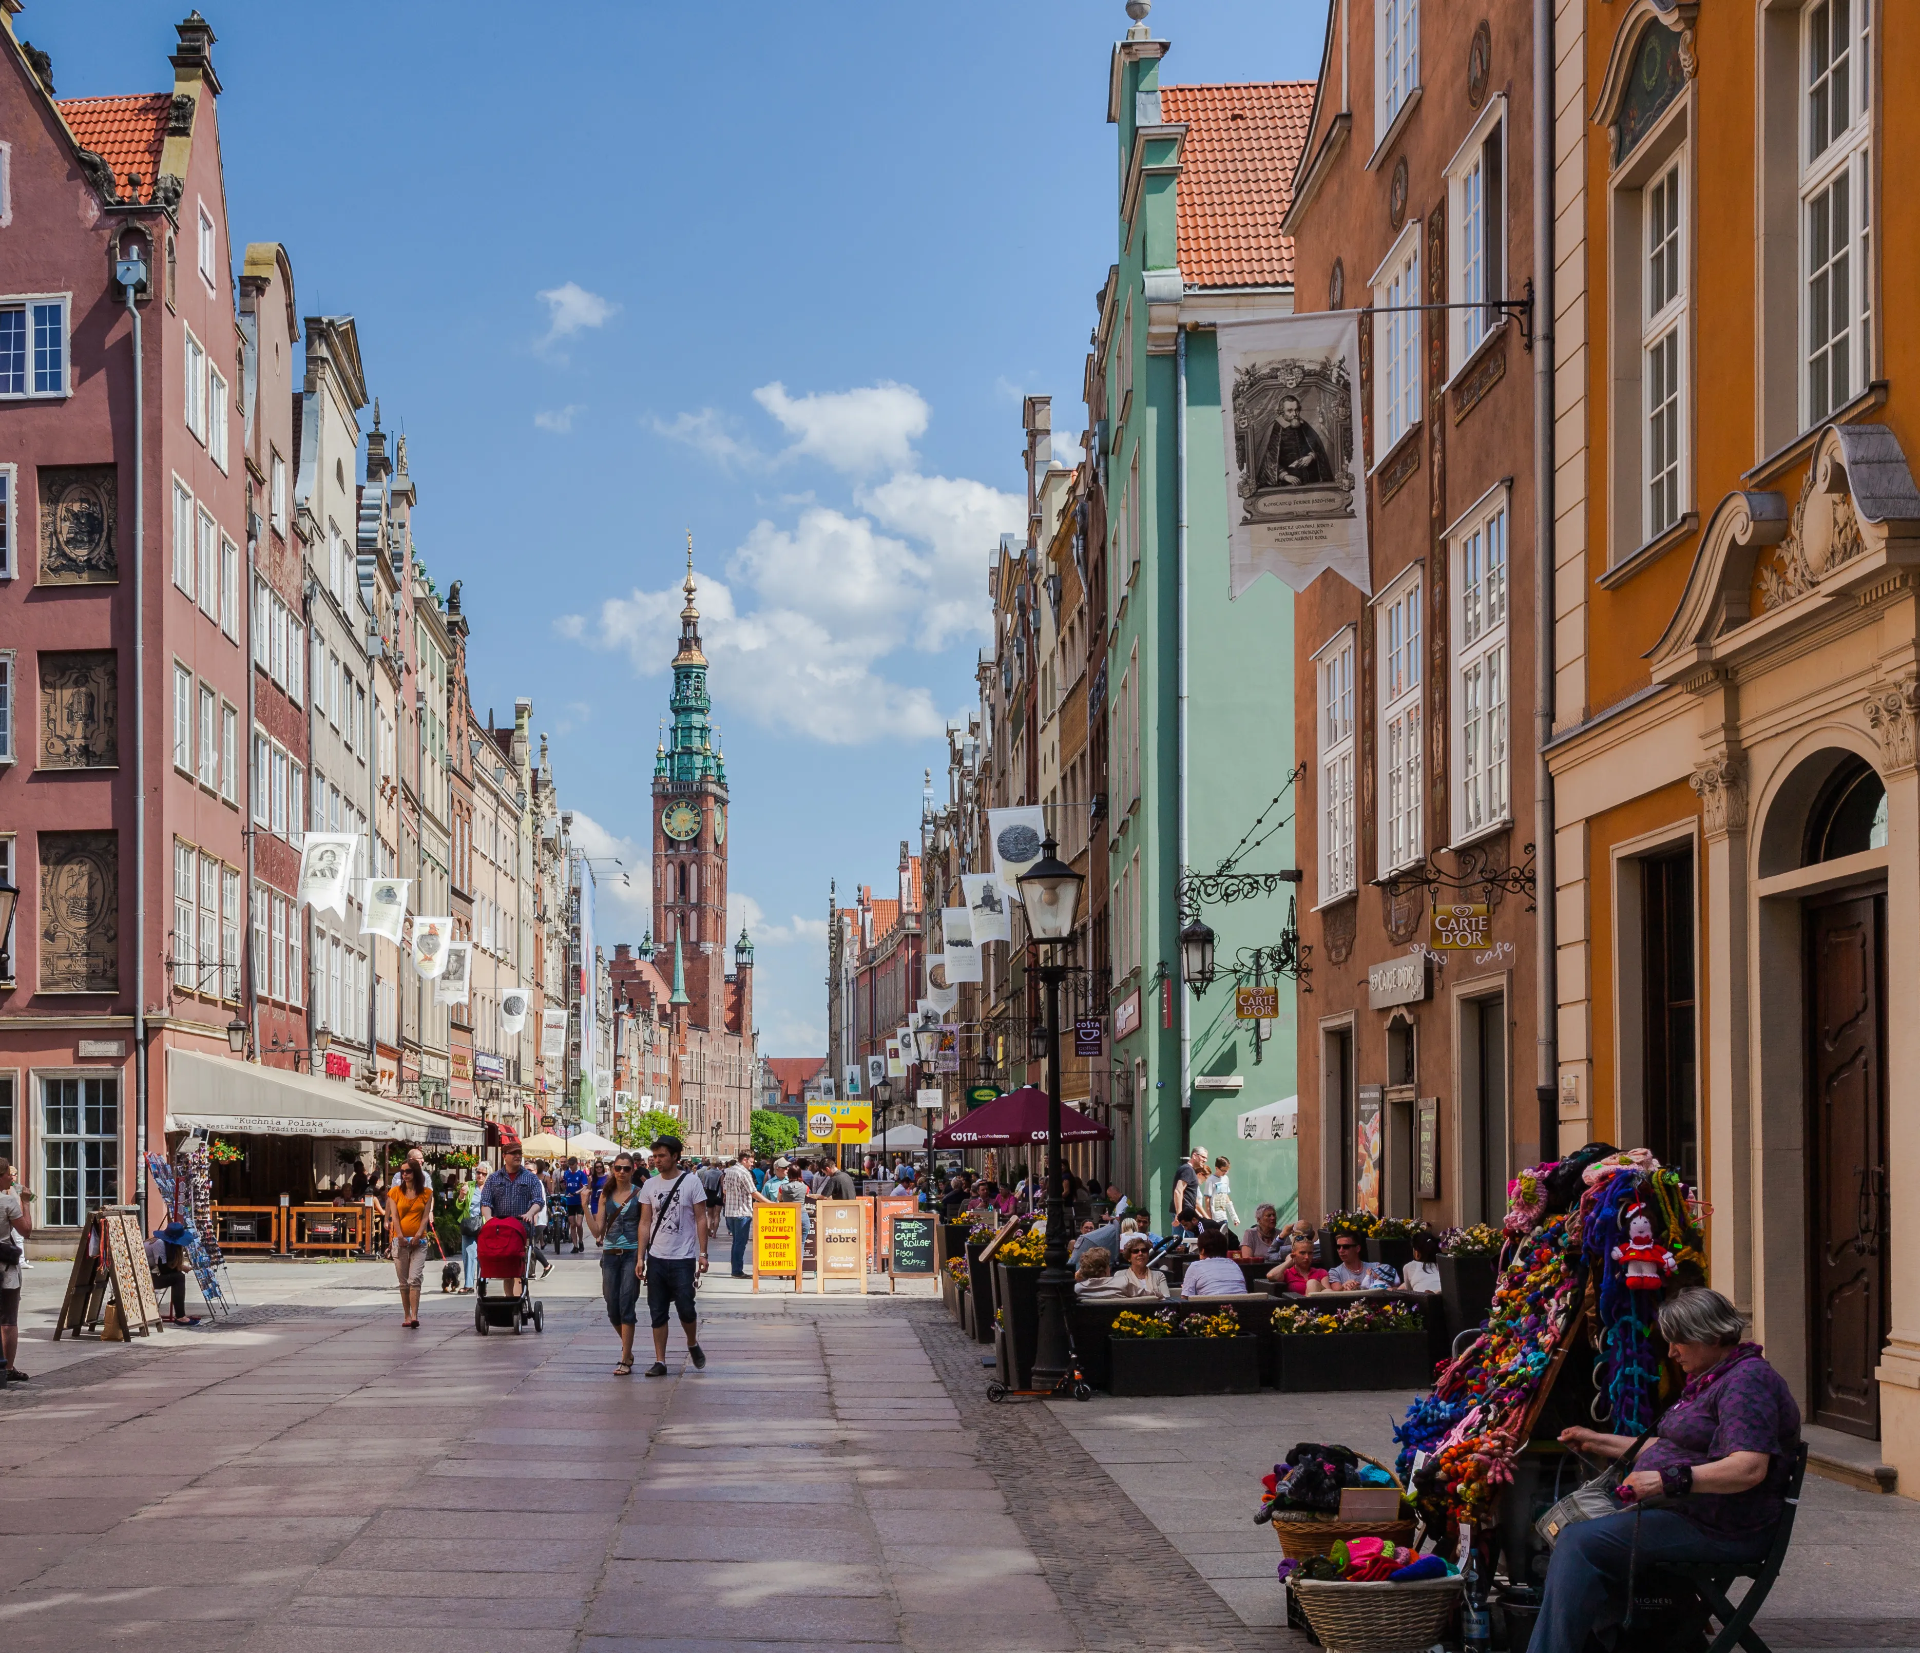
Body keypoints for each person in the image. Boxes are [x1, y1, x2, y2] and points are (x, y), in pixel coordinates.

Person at [1536, 1289, 1802, 1653]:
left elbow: (1749, 1467)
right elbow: (1673, 1449)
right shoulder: (1716, 1376)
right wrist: (1599, 1441)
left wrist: (1666, 1480)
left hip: (1724, 1525)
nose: (1672, 1352)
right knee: (1575, 1532)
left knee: (1580, 1542)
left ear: (1711, 1335)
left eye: (1679, 1341)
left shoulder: (1746, 1383)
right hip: (1691, 1513)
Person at [635, 1135, 709, 1377]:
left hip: (683, 1257)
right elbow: (645, 1222)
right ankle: (660, 1360)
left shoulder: (691, 1182)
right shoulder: (650, 1186)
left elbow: (700, 1218)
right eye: (654, 1156)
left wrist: (703, 1253)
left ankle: (691, 1342)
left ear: (675, 1156)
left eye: (662, 1156)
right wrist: (640, 1257)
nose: (656, 1161)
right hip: (657, 1256)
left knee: (686, 1307)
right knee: (657, 1310)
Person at [584, 1152, 645, 1374]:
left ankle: (624, 1358)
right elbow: (597, 1230)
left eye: (626, 1169)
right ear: (612, 1169)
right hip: (609, 1254)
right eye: (618, 1168)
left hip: (631, 1253)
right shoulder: (605, 1194)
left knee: (626, 1303)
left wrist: (641, 1258)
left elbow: (644, 1226)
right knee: (612, 1306)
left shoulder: (640, 1194)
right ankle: (628, 1351)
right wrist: (584, 1207)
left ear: (633, 1170)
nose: (621, 1172)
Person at [479, 1138, 549, 1287]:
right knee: (507, 1271)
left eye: (519, 1153)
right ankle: (510, 1303)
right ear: (504, 1155)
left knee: (518, 1269)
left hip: (521, 1230)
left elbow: (538, 1200)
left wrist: (530, 1213)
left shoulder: (530, 1178)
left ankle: (517, 1304)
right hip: (500, 1231)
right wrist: (489, 1218)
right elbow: (485, 1202)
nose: (518, 1156)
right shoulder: (493, 1178)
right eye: (514, 1153)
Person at [387, 1159, 434, 1328]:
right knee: (403, 1281)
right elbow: (395, 1217)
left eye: (408, 1171)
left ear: (416, 1173)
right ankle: (406, 1315)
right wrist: (399, 1236)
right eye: (402, 1172)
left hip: (419, 1241)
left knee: (414, 1279)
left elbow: (425, 1218)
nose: (404, 1174)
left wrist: (417, 1235)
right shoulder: (394, 1193)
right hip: (399, 1241)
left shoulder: (426, 1193)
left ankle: (414, 1315)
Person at [1256, 392, 1334, 488]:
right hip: (1286, 484)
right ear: (1281, 412)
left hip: (1311, 480)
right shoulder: (1275, 429)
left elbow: (1317, 447)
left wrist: (1311, 456)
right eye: (1290, 411)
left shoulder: (1303, 425)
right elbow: (1269, 461)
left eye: (1297, 410)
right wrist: (1284, 476)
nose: (1295, 414)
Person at [0, 1158, 27, 1381]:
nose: (11, 1177)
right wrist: (25, 1202)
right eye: (8, 1174)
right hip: (4, 1266)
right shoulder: (7, 1202)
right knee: (8, 1319)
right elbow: (25, 1231)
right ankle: (7, 1369)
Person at [144, 1222, 194, 1323]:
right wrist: (180, 1268)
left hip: (149, 1275)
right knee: (179, 1278)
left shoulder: (163, 1243)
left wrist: (179, 1267)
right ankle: (180, 1316)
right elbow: (163, 1269)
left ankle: (180, 1315)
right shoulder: (159, 1243)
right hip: (143, 1278)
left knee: (178, 1277)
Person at [1181, 1228, 1252, 1298]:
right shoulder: (1234, 1264)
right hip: (1241, 1307)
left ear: (1202, 1250)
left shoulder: (1195, 1266)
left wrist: (1186, 1288)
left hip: (1211, 1307)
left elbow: (1185, 1299)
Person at [721, 1150, 758, 1278]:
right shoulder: (744, 1173)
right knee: (740, 1243)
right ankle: (737, 1271)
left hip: (730, 1212)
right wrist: (769, 1202)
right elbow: (753, 1192)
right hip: (742, 1211)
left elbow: (724, 1191)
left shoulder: (728, 1171)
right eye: (751, 1162)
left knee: (736, 1242)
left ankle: (735, 1269)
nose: (752, 1165)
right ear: (745, 1160)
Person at [1323, 1232, 1400, 1290]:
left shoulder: (1376, 1267)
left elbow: (1395, 1288)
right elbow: (1335, 1294)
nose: (1341, 1250)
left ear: (1357, 1248)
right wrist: (1344, 1287)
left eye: (1346, 1247)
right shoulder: (1334, 1272)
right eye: (1338, 1247)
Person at [1171, 1146, 1208, 1232]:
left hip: (1186, 1213)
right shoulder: (1188, 1170)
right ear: (1194, 1155)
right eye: (1203, 1157)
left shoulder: (1189, 1170)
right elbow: (1178, 1191)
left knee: (1180, 1241)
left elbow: (1192, 1199)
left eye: (1206, 1158)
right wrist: (1179, 1214)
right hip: (1185, 1215)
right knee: (1196, 1239)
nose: (1205, 1160)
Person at [562, 1157, 589, 1252]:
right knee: (572, 1224)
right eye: (570, 1165)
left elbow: (585, 1186)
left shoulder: (581, 1174)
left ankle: (581, 1240)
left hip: (579, 1201)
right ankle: (575, 1245)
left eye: (572, 1165)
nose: (571, 1167)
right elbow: (564, 1185)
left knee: (579, 1223)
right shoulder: (566, 1173)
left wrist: (577, 1192)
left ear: (576, 1164)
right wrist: (563, 1184)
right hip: (570, 1201)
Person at [1206, 1157, 1240, 1229]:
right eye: (1223, 1170)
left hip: (1224, 1217)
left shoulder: (1226, 1179)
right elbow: (1207, 1200)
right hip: (1214, 1218)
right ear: (1217, 1168)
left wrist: (1234, 1217)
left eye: (1227, 1171)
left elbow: (1226, 1197)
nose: (1225, 1173)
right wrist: (1209, 1219)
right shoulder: (1210, 1180)